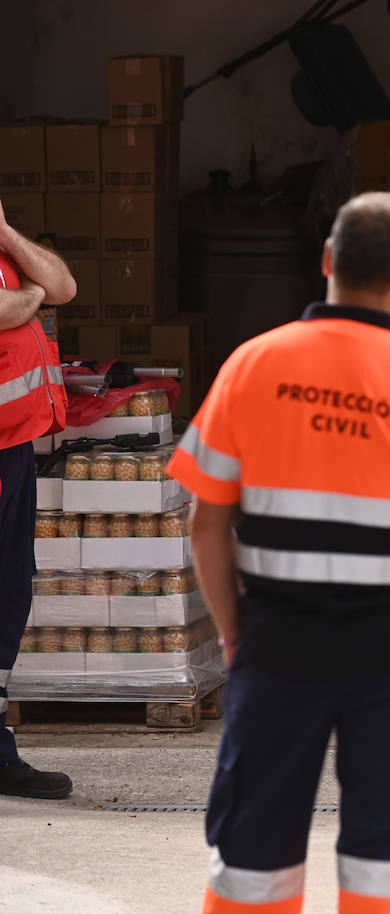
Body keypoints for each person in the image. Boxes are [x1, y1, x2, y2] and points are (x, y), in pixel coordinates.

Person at [170, 192, 390, 914]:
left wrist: (236, 633)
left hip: (278, 643)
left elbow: (205, 524)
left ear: (326, 261)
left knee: (252, 856)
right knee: (382, 859)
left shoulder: (251, 365)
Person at [0, 198, 77, 800]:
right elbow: (12, 306)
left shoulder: (3, 246)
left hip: (13, 447)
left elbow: (63, 286)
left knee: (9, 590)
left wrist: (7, 235)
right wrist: (30, 299)